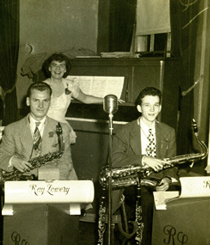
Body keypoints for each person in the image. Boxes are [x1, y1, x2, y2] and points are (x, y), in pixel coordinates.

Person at [111, 87, 178, 244]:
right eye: (147, 105)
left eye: (156, 105)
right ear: (139, 108)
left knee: (180, 199)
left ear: (160, 107)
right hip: (133, 181)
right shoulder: (125, 131)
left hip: (158, 182)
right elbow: (115, 159)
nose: (152, 109)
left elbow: (172, 164)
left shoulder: (168, 132)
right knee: (147, 200)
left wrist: (168, 179)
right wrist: (143, 159)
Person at [0, 82, 77, 180]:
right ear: (28, 101)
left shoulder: (62, 128)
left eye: (45, 101)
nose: (41, 106)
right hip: (22, 181)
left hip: (52, 181)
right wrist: (13, 160)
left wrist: (56, 185)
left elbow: (65, 162)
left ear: (50, 102)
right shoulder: (12, 129)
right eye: (36, 100)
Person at [42, 53, 103, 143]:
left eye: (62, 65)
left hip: (61, 127)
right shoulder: (41, 86)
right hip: (43, 127)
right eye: (54, 65)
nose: (58, 69)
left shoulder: (70, 85)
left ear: (65, 69)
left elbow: (85, 98)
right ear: (49, 68)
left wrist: (105, 100)